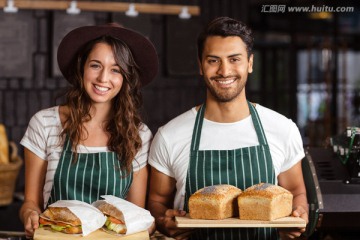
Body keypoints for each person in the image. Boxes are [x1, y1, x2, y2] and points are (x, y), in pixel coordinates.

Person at [147, 16, 308, 240]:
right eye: (213, 60)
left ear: (250, 63)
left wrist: (299, 216)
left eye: (234, 59)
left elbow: (296, 192)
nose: (224, 71)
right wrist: (164, 222)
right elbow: (156, 201)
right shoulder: (170, 135)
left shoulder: (282, 129)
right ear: (200, 65)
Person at [19, 23, 158, 238]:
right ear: (82, 67)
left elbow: (135, 213)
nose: (103, 78)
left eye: (115, 70)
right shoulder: (45, 123)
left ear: (126, 78)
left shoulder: (138, 134)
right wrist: (29, 214)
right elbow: (30, 202)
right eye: (95, 65)